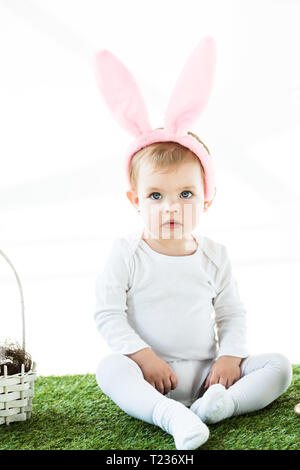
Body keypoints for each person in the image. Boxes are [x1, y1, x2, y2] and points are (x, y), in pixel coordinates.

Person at [93, 38, 293, 450]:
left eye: (185, 194)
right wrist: (143, 357)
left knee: (279, 367)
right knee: (109, 369)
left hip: (207, 376)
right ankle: (168, 415)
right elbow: (108, 315)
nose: (171, 208)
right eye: (155, 196)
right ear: (135, 201)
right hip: (151, 374)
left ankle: (220, 408)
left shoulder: (214, 255)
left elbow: (232, 313)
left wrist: (229, 358)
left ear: (207, 199)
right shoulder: (126, 253)